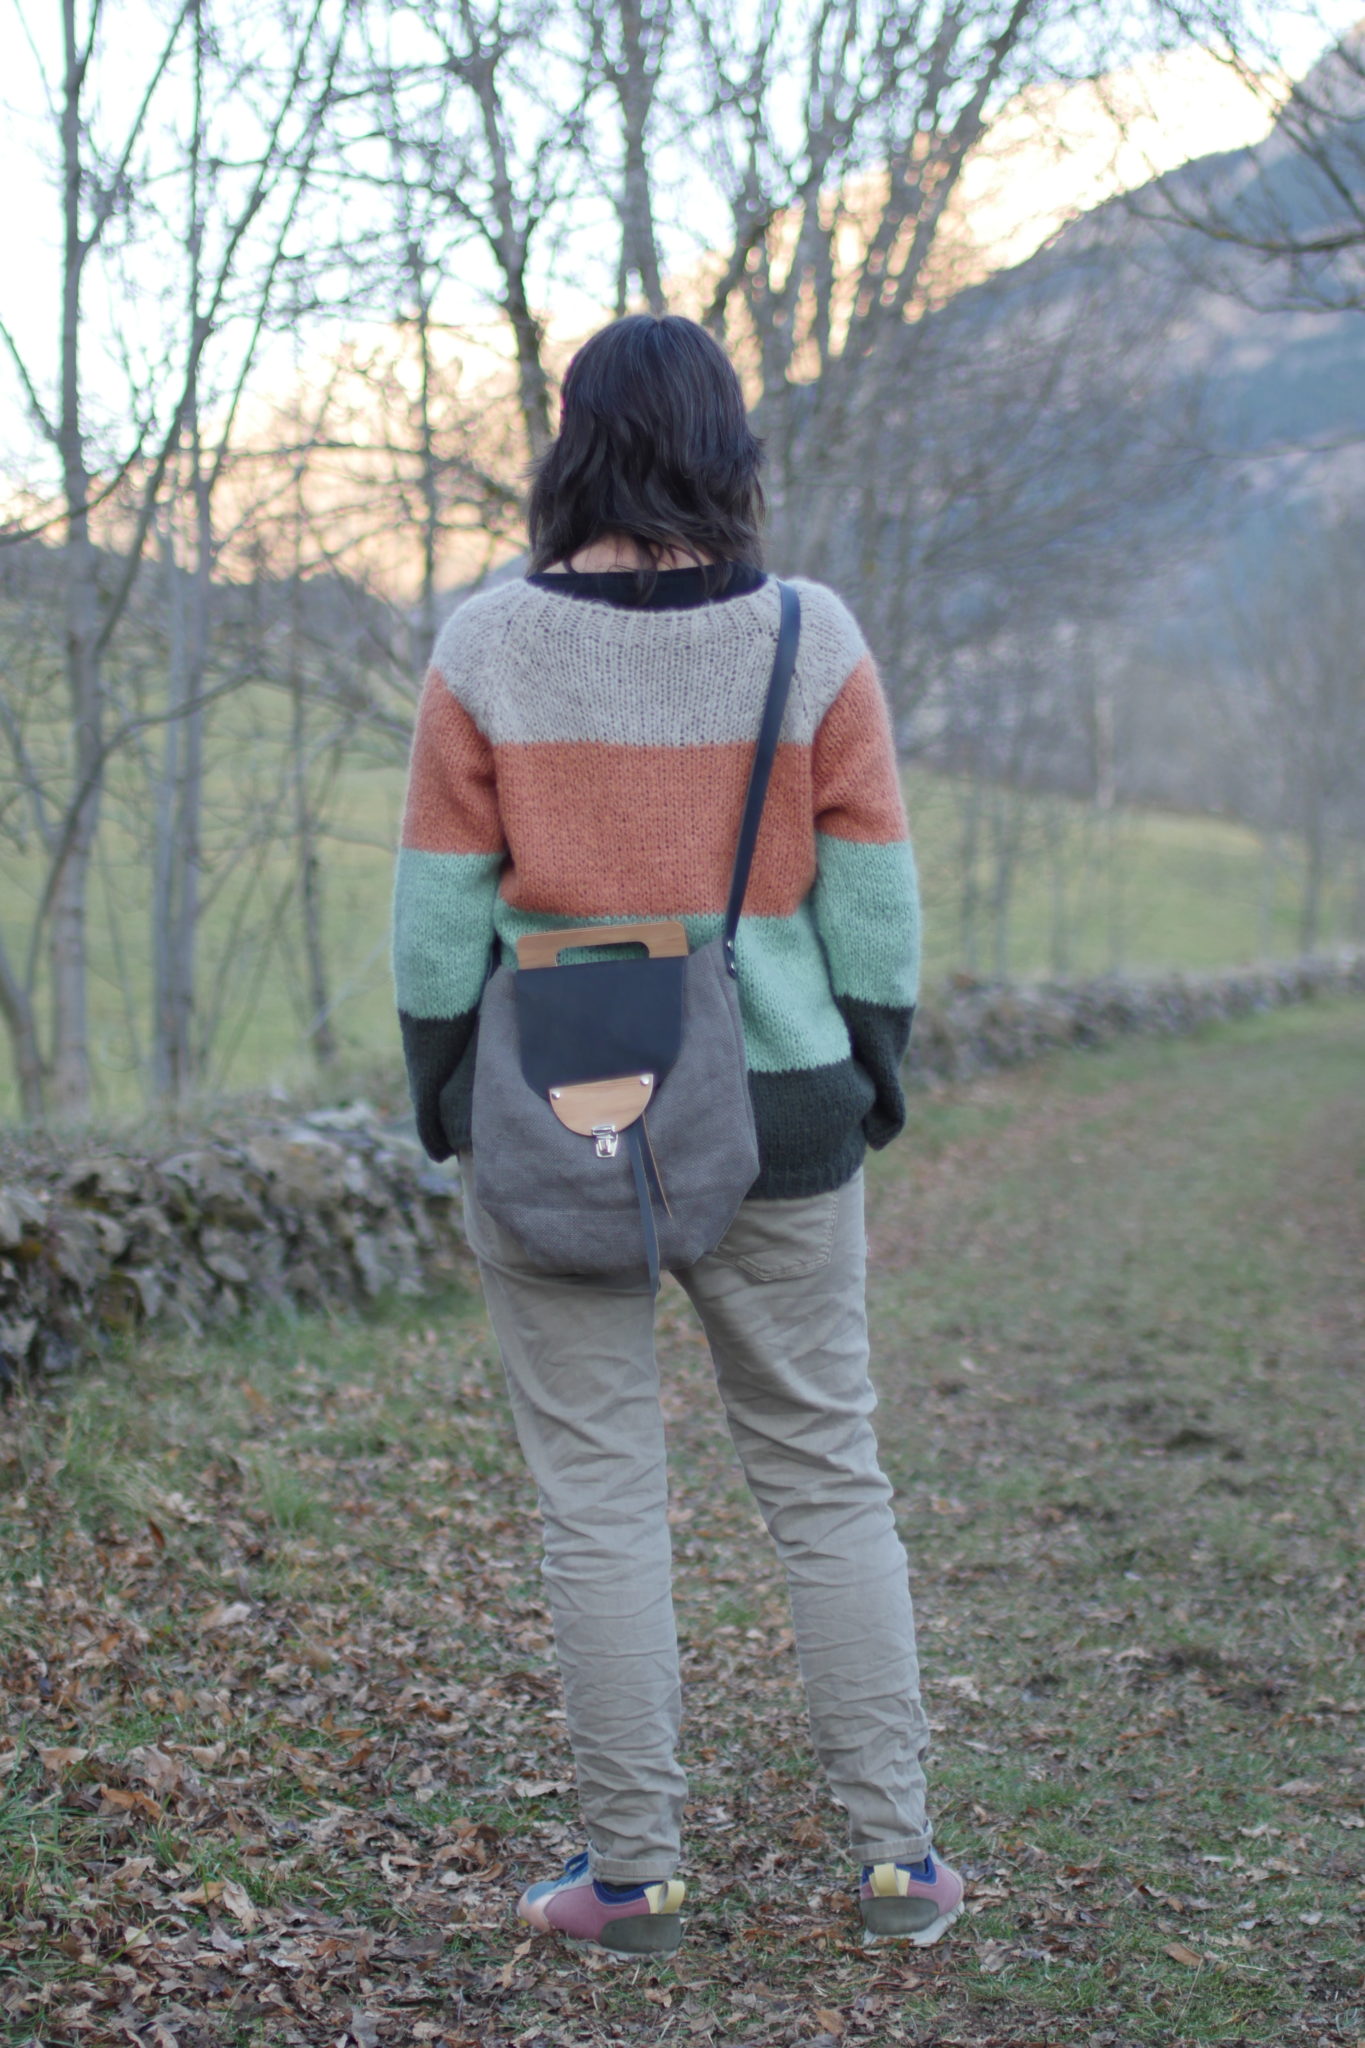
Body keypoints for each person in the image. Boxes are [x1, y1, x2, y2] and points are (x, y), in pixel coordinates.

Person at [392, 313, 962, 1959]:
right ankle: (897, 1865)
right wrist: (864, 1073)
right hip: (780, 1108)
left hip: (555, 1120)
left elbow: (435, 921)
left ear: (571, 442)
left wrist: (452, 1097)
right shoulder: (809, 635)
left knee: (595, 1498)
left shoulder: (488, 644)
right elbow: (875, 902)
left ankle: (633, 1880)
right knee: (826, 1480)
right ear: (728, 447)